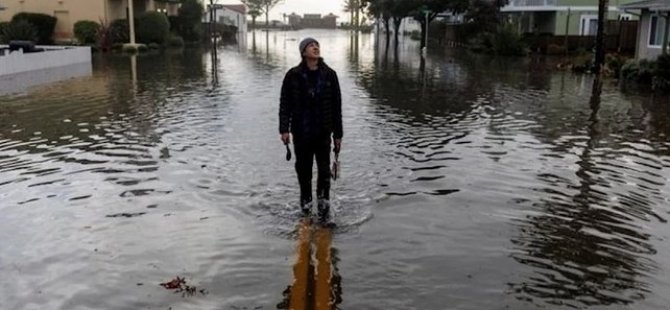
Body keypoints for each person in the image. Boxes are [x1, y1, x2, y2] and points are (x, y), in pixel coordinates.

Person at [279, 37, 343, 219]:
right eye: (310, 45)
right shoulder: (293, 75)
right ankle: (305, 212)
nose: (315, 47)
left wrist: (338, 135)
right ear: (303, 52)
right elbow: (285, 103)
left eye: (317, 45)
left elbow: (337, 106)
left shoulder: (330, 75)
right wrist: (284, 129)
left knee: (324, 174)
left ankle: (324, 213)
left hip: (323, 133)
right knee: (304, 174)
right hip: (301, 133)